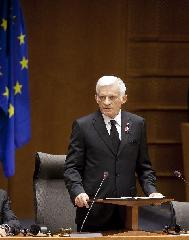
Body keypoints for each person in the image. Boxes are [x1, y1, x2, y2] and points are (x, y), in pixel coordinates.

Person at [64, 75, 163, 232]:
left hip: (129, 214)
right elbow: (72, 167)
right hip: (94, 211)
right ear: (96, 98)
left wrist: (152, 192)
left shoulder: (137, 124)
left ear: (124, 98)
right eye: (102, 97)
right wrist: (78, 192)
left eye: (112, 97)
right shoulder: (83, 126)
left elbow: (144, 167)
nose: (106, 102)